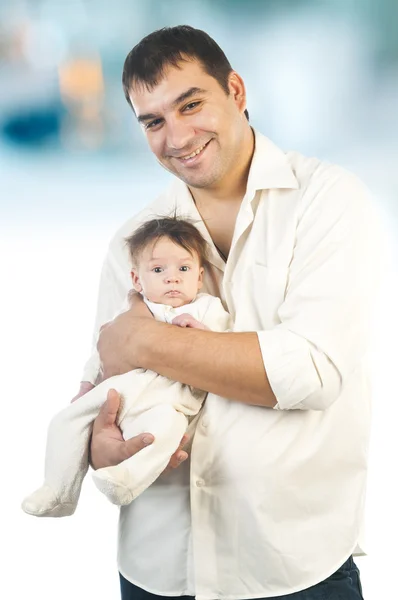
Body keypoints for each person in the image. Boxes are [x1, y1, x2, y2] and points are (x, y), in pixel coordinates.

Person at [80, 25, 376, 600]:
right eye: (154, 121)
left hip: (291, 566)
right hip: (159, 568)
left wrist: (143, 344)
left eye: (191, 104)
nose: (178, 136)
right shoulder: (131, 244)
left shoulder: (328, 201)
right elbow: (102, 385)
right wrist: (100, 446)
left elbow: (312, 372)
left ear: (235, 91)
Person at [21, 217, 231, 516]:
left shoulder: (206, 308)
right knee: (65, 421)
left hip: (168, 398)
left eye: (183, 269)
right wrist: (86, 385)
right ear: (137, 280)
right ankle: (58, 491)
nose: (172, 278)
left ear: (199, 277)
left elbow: (223, 348)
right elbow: (102, 346)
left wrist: (199, 329)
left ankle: (127, 480)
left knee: (166, 431)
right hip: (119, 390)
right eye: (158, 270)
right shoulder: (133, 307)